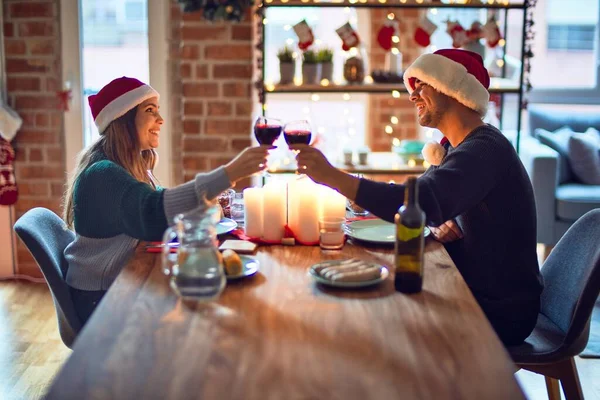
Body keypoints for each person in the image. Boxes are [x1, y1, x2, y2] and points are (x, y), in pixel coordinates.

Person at [293, 49, 543, 346]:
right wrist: (435, 214)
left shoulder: (483, 150)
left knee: (372, 312)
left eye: (420, 85)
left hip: (500, 311)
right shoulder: (454, 147)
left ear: (452, 89)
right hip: (470, 289)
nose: (412, 96)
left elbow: (420, 201)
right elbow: (424, 202)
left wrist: (335, 178)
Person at [63, 76, 271, 324]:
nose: (160, 120)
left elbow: (167, 213)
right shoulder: (102, 174)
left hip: (117, 285)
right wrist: (228, 173)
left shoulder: (130, 166)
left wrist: (207, 205)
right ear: (123, 119)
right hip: (99, 301)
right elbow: (155, 215)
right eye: (149, 111)